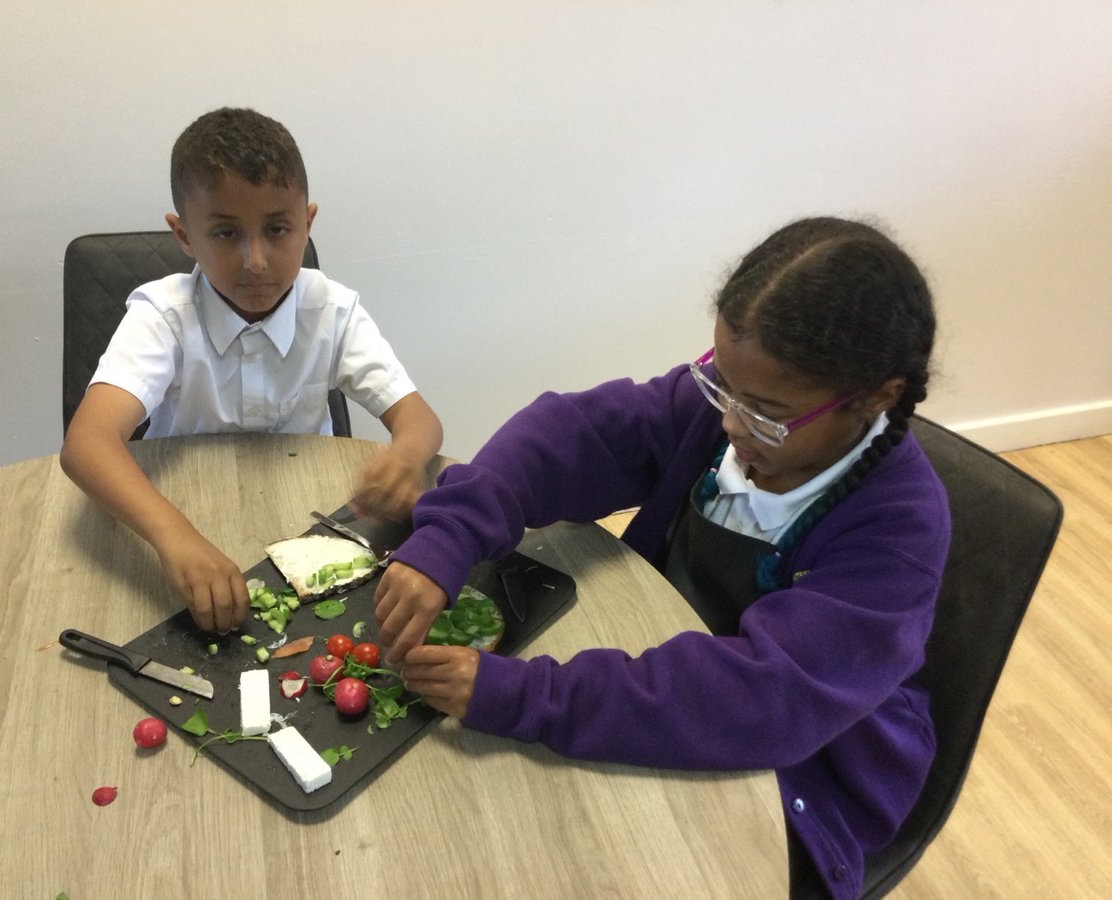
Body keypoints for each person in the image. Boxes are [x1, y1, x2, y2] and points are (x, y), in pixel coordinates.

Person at [374, 217, 948, 900]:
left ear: (875, 398)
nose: (730, 426)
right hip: (647, 683)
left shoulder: (899, 527)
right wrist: (452, 533)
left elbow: (763, 700)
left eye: (764, 412)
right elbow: (573, 432)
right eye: (720, 386)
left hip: (799, 778)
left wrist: (527, 694)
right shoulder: (724, 416)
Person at [60, 107, 442, 635]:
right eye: (224, 234)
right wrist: (175, 535)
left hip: (309, 521)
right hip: (178, 512)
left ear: (306, 223)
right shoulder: (164, 316)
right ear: (184, 236)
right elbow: (87, 444)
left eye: (278, 229)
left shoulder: (332, 310)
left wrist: (403, 458)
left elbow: (420, 420)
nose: (256, 260)